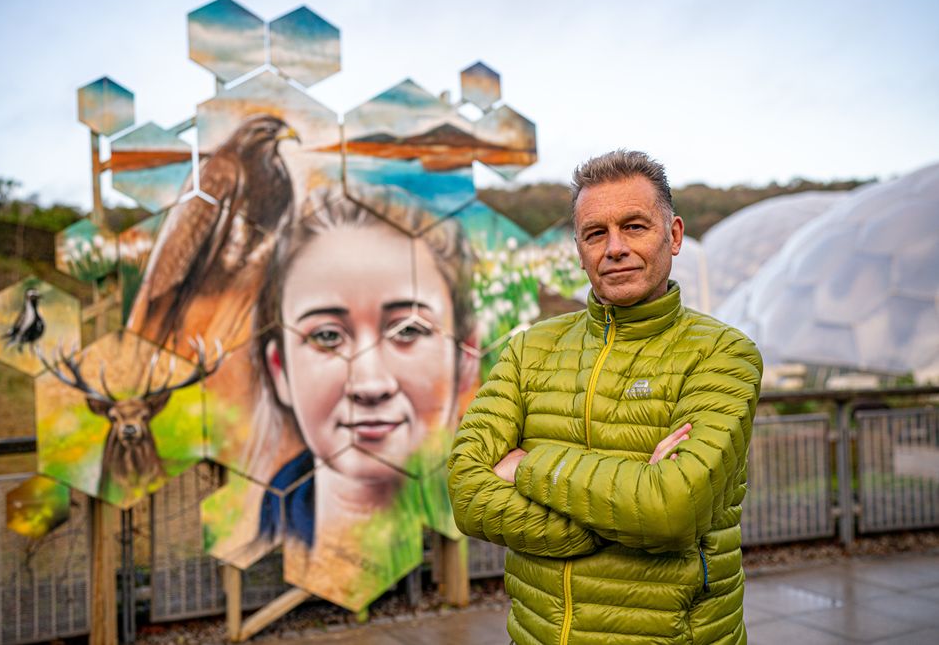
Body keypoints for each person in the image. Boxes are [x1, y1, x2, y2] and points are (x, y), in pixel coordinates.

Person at [448, 150, 763, 644]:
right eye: (596, 233)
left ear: (674, 235)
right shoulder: (530, 348)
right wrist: (607, 520)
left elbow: (672, 509)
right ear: (579, 249)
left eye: (635, 226)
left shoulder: (722, 354)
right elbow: (467, 494)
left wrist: (528, 467)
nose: (614, 247)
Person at [251, 186, 478, 609]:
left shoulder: (489, 498)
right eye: (326, 336)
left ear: (465, 358)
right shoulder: (257, 524)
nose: (369, 384)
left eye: (408, 330)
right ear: (280, 369)